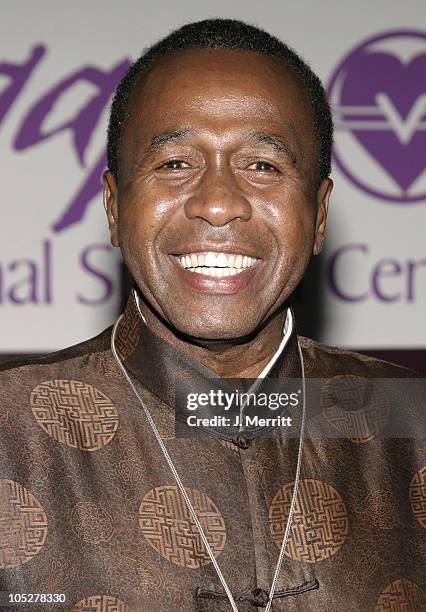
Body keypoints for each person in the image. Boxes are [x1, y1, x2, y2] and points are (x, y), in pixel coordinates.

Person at [0, 19, 424, 612]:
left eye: (263, 165)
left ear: (320, 215)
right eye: (174, 163)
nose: (219, 203)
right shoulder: (11, 431)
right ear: (114, 208)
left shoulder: (412, 423)